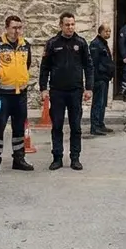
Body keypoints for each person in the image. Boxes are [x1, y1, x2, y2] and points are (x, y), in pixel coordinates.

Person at [39, 12, 93, 170]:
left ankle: (75, 158)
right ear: (60, 25)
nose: (70, 27)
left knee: (76, 126)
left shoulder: (81, 43)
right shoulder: (52, 43)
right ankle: (57, 157)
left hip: (75, 91)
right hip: (57, 92)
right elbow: (45, 68)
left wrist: (89, 87)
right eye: (67, 24)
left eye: (72, 24)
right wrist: (43, 88)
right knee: (57, 126)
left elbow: (89, 66)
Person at [0, 15, 36, 176]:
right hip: (3, 94)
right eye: (14, 28)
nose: (17, 31)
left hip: (20, 94)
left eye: (19, 28)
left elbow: (26, 65)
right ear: (6, 28)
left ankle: (19, 159)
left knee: (19, 129)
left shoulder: (25, 45)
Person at [89, 24, 116, 136]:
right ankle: (95, 126)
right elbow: (93, 63)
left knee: (102, 102)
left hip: (104, 78)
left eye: (109, 31)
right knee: (98, 102)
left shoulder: (103, 44)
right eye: (106, 31)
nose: (108, 33)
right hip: (99, 78)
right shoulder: (96, 44)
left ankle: (100, 123)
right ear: (100, 32)